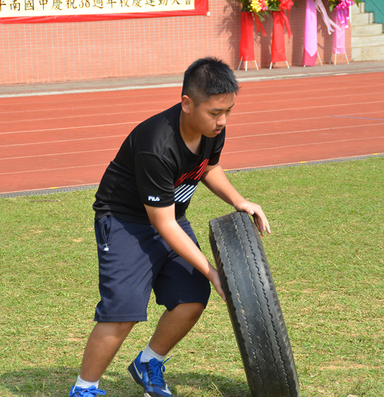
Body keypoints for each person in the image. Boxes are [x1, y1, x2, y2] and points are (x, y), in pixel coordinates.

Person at [69, 57, 271, 397]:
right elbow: (162, 224)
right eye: (215, 112)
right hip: (124, 220)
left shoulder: (210, 131)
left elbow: (208, 168)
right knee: (124, 311)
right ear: (187, 104)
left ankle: (149, 362)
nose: (222, 121)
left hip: (169, 216)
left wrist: (239, 200)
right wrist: (212, 271)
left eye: (228, 112)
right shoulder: (156, 146)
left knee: (191, 298)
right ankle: (85, 389)